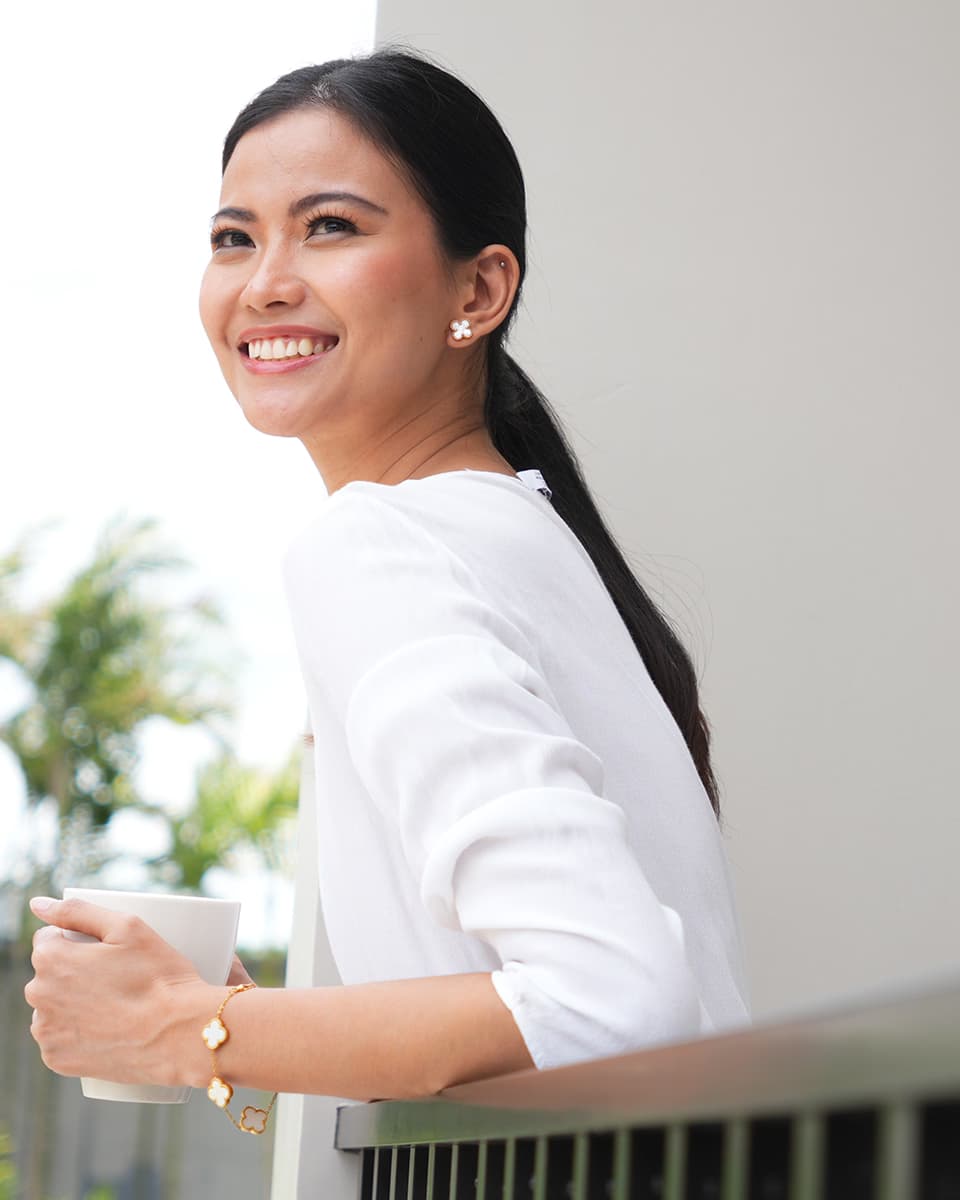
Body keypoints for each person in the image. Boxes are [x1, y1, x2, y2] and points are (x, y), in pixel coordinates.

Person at [25, 45, 750, 1121]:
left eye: (330, 226)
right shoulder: (515, 531)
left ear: (480, 288)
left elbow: (612, 1002)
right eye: (234, 238)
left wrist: (182, 1028)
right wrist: (232, 1023)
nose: (266, 282)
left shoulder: (380, 546)